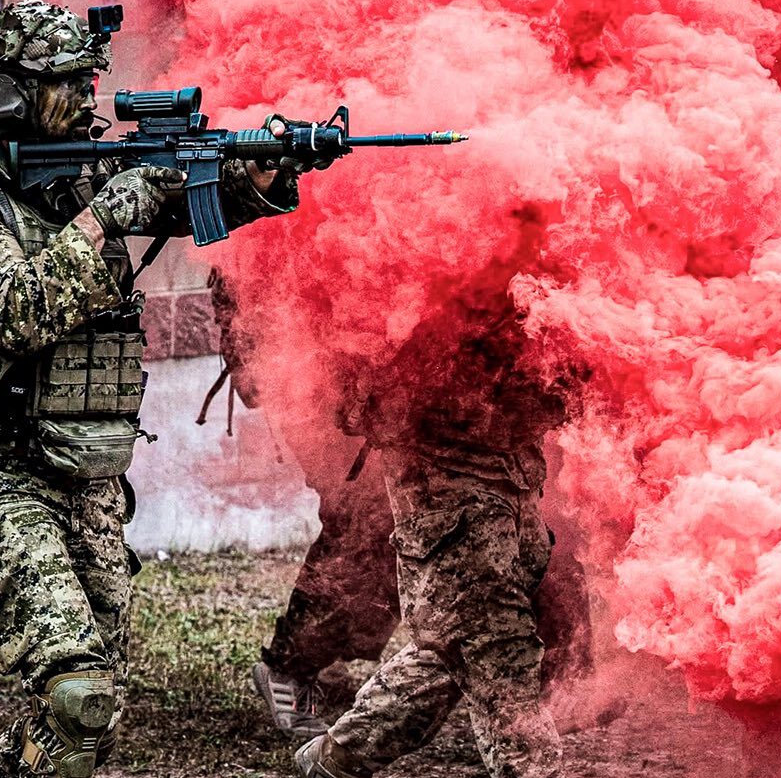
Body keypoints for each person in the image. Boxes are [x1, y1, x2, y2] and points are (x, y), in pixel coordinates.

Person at [0, 0, 317, 778]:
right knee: (74, 687)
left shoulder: (71, 179)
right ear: (5, 93)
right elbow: (13, 313)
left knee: (83, 703)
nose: (83, 100)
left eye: (85, 81)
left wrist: (265, 168)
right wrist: (110, 211)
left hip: (84, 477)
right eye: (60, 84)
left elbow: (199, 196)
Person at [207, 273, 603, 742]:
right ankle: (291, 667)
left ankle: (567, 676)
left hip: (452, 362)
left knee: (532, 513)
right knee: (369, 523)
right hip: (338, 368)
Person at [291, 300, 611, 778]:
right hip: (450, 501)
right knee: (496, 648)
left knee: (448, 655)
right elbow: (365, 393)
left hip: (509, 488)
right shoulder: (411, 270)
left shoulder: (510, 262)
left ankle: (338, 760)